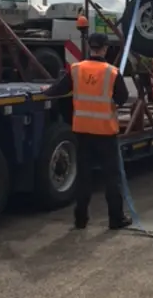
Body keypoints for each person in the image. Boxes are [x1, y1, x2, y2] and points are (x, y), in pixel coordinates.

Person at [43, 32, 131, 229]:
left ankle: (80, 219)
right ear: (106, 48)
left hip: (82, 132)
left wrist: (44, 91)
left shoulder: (76, 69)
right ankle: (116, 219)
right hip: (106, 133)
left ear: (89, 47)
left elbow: (58, 89)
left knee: (84, 178)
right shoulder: (112, 72)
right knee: (111, 178)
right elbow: (122, 98)